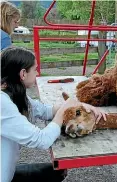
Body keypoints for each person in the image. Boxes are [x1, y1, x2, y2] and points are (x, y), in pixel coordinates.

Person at [1, 47, 107, 182]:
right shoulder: (2, 103)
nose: (38, 73)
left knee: (58, 172)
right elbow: (41, 140)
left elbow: (45, 110)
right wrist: (64, 110)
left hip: (7, 172)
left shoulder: (13, 93)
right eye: (35, 69)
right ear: (23, 74)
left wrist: (78, 106)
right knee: (55, 172)